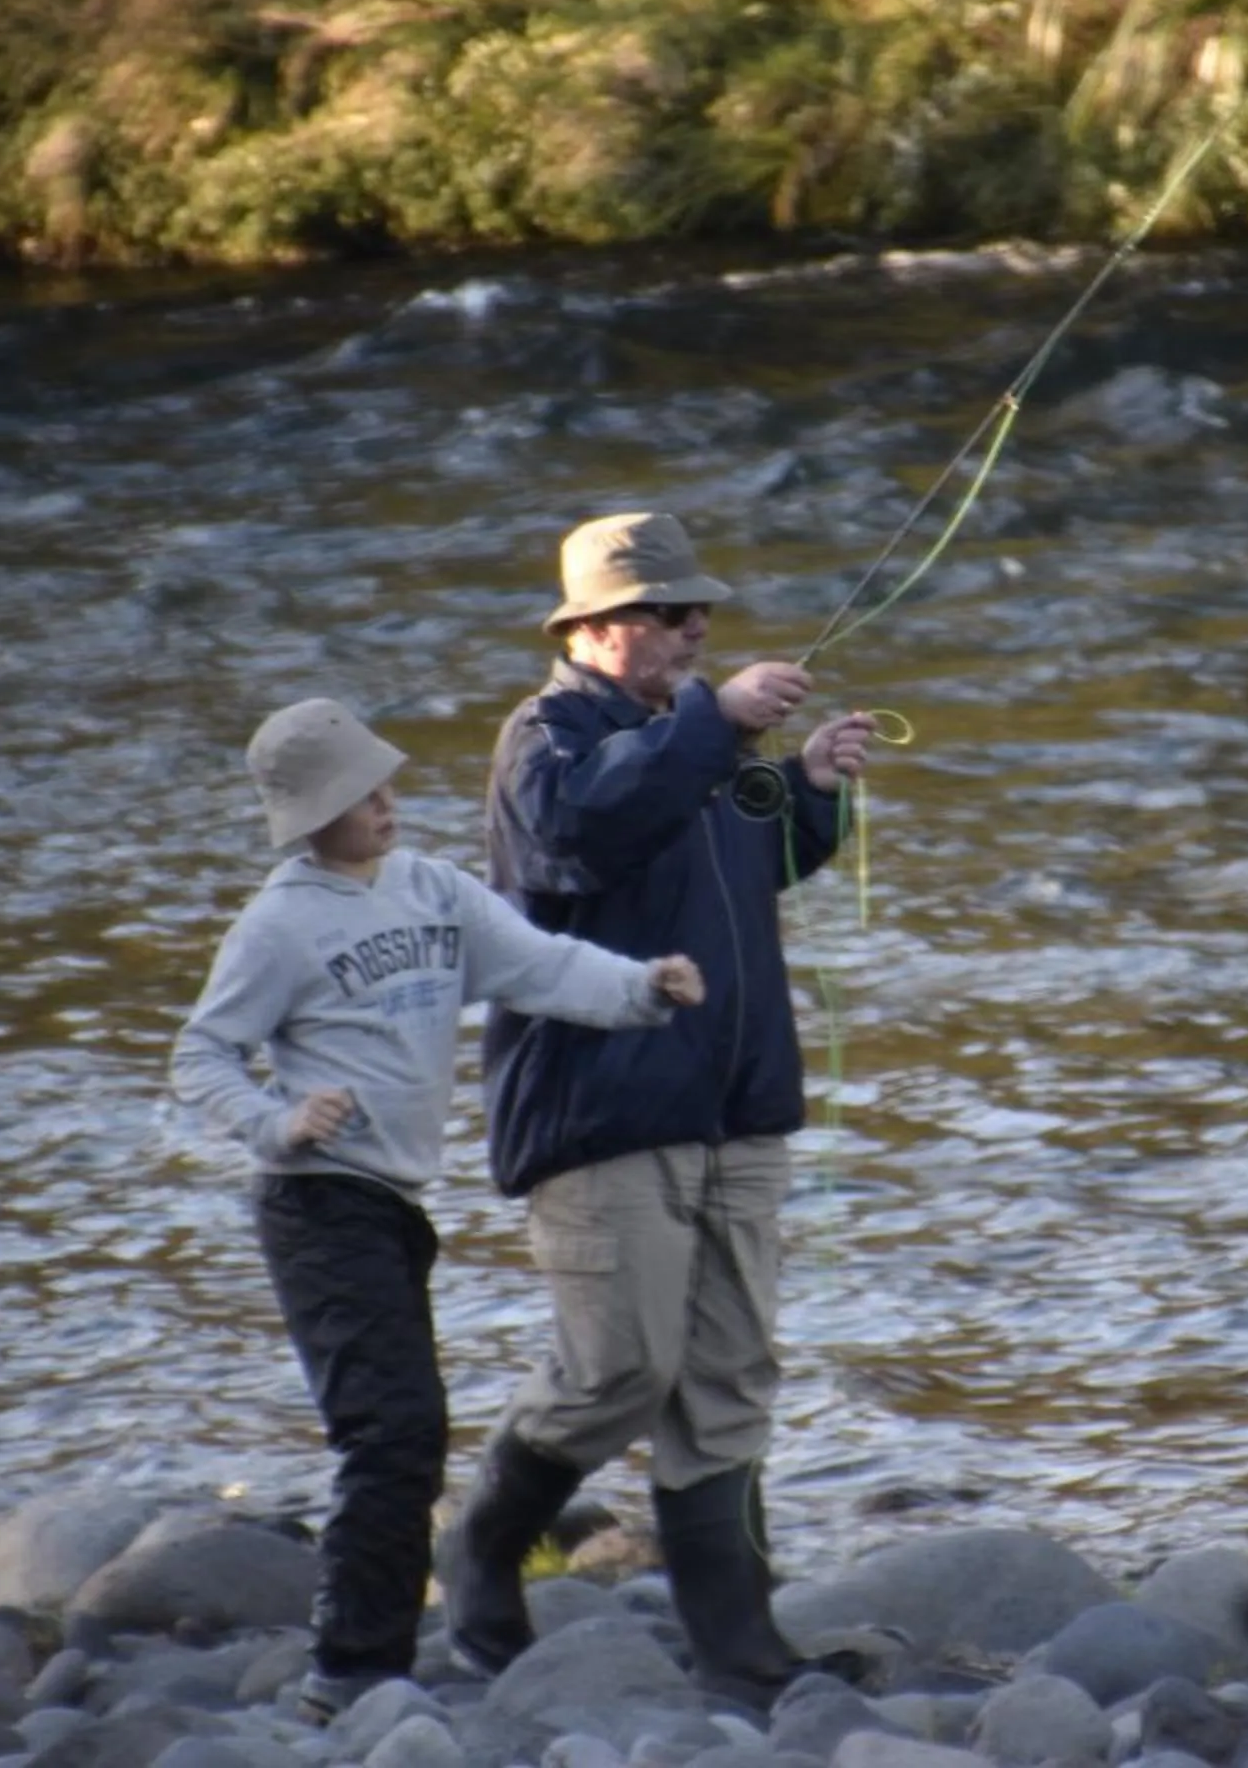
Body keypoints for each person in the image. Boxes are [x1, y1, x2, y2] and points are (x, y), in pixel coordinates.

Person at [171, 697, 707, 1723]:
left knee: (405, 1429)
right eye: (357, 793)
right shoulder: (279, 922)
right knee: (393, 1431)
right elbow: (199, 1054)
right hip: (317, 1202)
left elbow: (540, 965)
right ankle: (351, 1669)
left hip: (395, 1205)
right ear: (307, 816)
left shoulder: (433, 889)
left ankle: (369, 1654)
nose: (383, 801)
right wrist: (276, 1120)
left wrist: (645, 986)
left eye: (381, 782)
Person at [438, 510, 876, 1701]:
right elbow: (585, 838)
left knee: (730, 1375)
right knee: (620, 1369)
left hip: (738, 1103)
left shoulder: (692, 737)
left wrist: (809, 786)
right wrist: (716, 717)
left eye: (701, 616)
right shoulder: (548, 738)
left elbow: (743, 857)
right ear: (589, 629)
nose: (692, 631)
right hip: (602, 1107)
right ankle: (478, 1543)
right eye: (668, 614)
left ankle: (740, 1645)